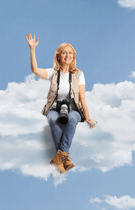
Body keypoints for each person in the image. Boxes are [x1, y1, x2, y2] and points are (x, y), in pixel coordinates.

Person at [26, 33, 97, 174]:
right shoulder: (53, 73)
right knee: (52, 118)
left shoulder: (79, 74)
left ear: (73, 57)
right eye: (64, 53)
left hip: (73, 109)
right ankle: (64, 158)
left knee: (72, 119)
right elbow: (35, 70)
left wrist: (87, 116)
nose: (67, 55)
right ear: (58, 56)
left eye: (70, 53)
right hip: (54, 107)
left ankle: (60, 156)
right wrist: (32, 49)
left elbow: (82, 97)